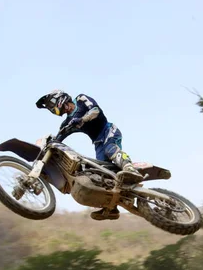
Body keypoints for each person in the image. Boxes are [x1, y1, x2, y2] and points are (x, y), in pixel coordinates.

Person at [36, 89, 143, 221]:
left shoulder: (81, 99)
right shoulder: (67, 122)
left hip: (108, 130)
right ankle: (111, 207)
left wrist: (82, 119)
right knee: (103, 173)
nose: (52, 110)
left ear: (59, 98)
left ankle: (129, 168)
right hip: (97, 142)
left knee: (110, 149)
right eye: (50, 109)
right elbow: (58, 139)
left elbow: (95, 111)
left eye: (52, 105)